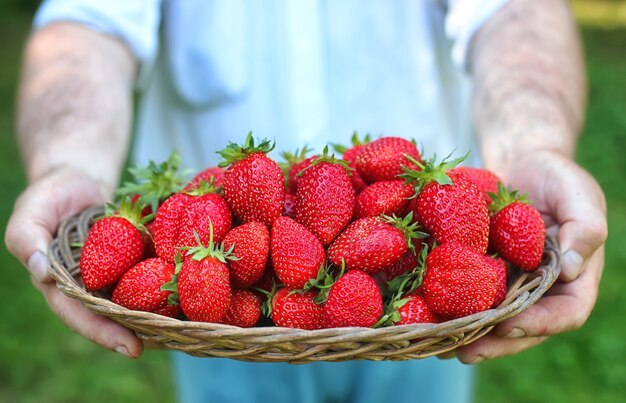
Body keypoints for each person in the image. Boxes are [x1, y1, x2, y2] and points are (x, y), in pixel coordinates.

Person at [5, 0, 607, 402]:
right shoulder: (210, 262)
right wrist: (70, 162)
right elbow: (88, 22)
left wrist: (534, 145)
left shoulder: (429, 251)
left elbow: (512, 10)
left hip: (425, 313)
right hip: (214, 322)